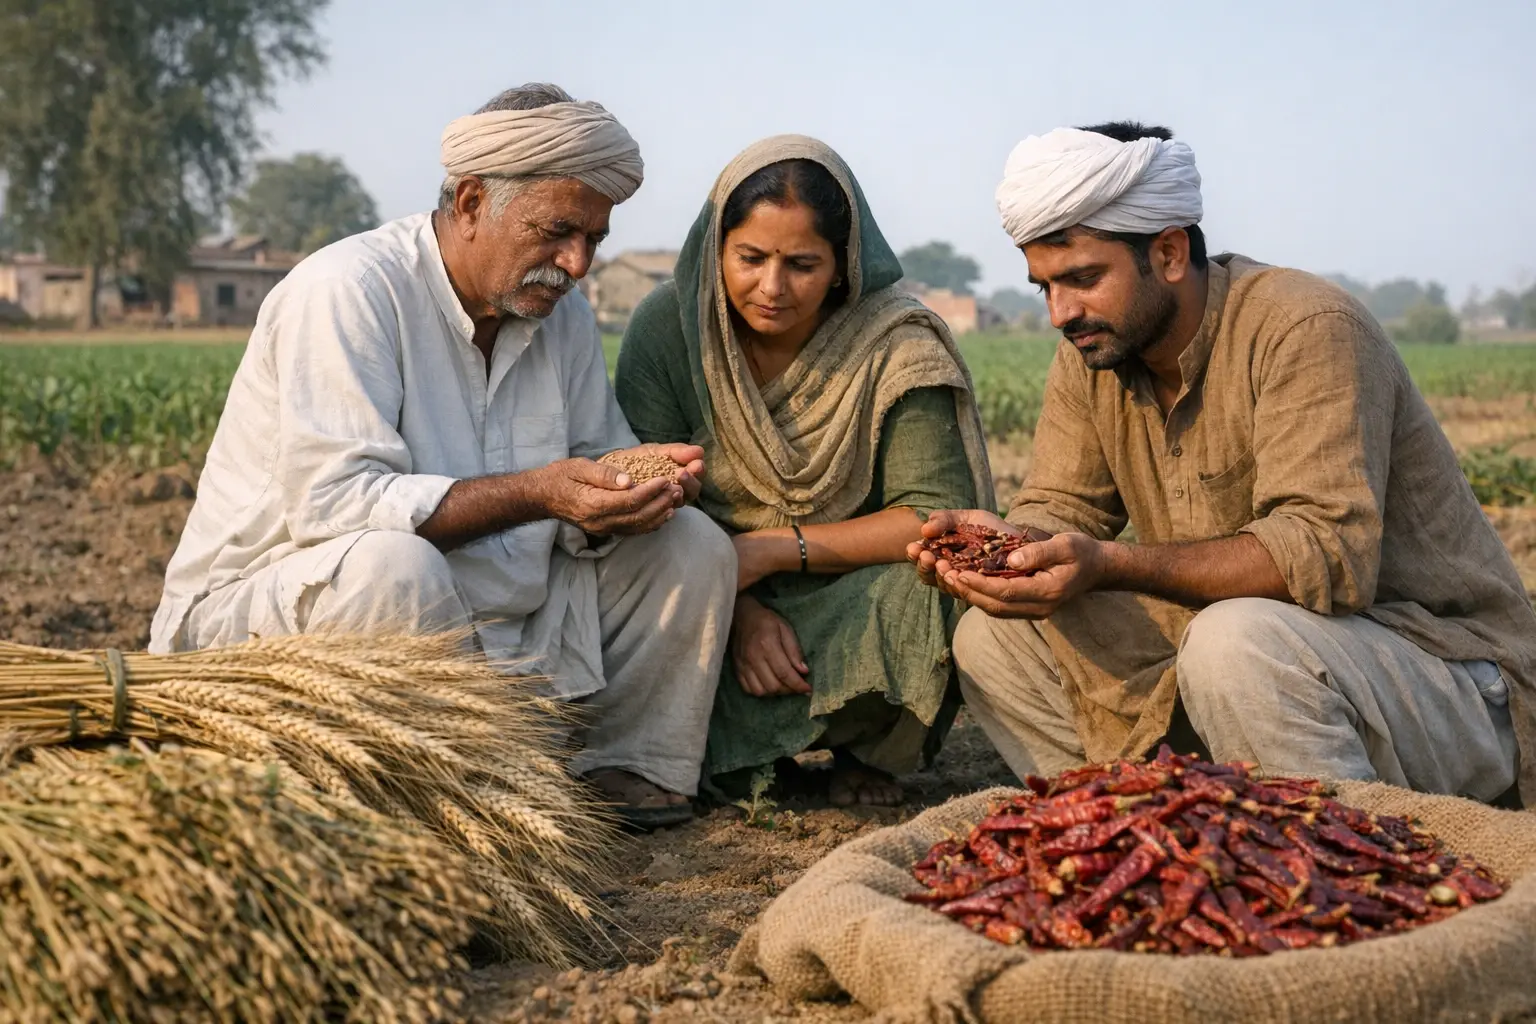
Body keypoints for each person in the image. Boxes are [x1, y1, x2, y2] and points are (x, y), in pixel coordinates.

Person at [149, 83, 737, 830]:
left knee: (690, 546)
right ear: (468, 204)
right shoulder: (349, 291)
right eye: (558, 230)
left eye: (594, 238)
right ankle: (447, 794)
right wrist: (541, 493)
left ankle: (617, 773)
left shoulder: (564, 315)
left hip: (489, 625)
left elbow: (590, 458)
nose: (578, 263)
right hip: (288, 616)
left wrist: (628, 490)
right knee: (394, 565)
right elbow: (334, 509)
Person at [910, 121, 1535, 807]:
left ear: (1171, 252)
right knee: (995, 639)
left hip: (1447, 675)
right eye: (1044, 287)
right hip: (1252, 667)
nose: (1061, 311)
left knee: (1232, 640)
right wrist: (1003, 551)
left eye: (1083, 279)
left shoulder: (1304, 327)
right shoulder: (1096, 347)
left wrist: (1110, 563)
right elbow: (1062, 505)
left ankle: (1334, 859)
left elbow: (1324, 555)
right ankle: (1147, 833)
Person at [616, 137, 992, 806]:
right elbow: (648, 498)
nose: (773, 287)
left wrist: (766, 553)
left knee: (939, 581)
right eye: (751, 259)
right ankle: (737, 754)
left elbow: (932, 516)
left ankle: (866, 748)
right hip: (706, 593)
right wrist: (737, 603)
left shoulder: (896, 345)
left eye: (802, 264)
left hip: (846, 589)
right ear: (716, 250)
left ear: (844, 267)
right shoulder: (670, 332)